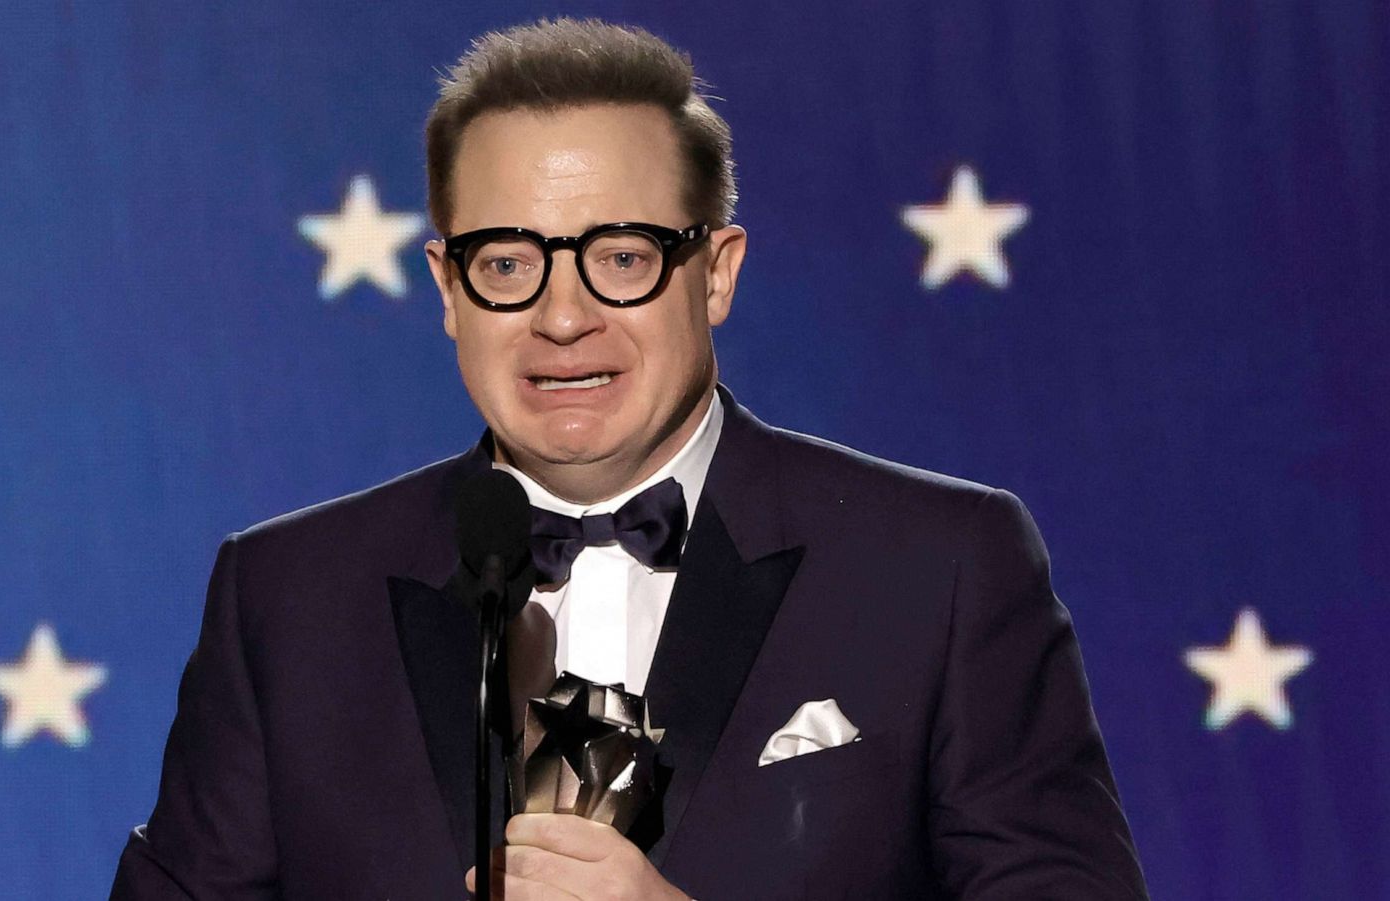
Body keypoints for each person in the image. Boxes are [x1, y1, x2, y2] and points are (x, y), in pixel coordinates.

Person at [112, 17, 1148, 899]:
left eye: (621, 258)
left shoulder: (940, 566)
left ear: (716, 275)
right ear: (445, 287)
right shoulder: (287, 597)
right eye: (507, 262)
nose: (562, 316)